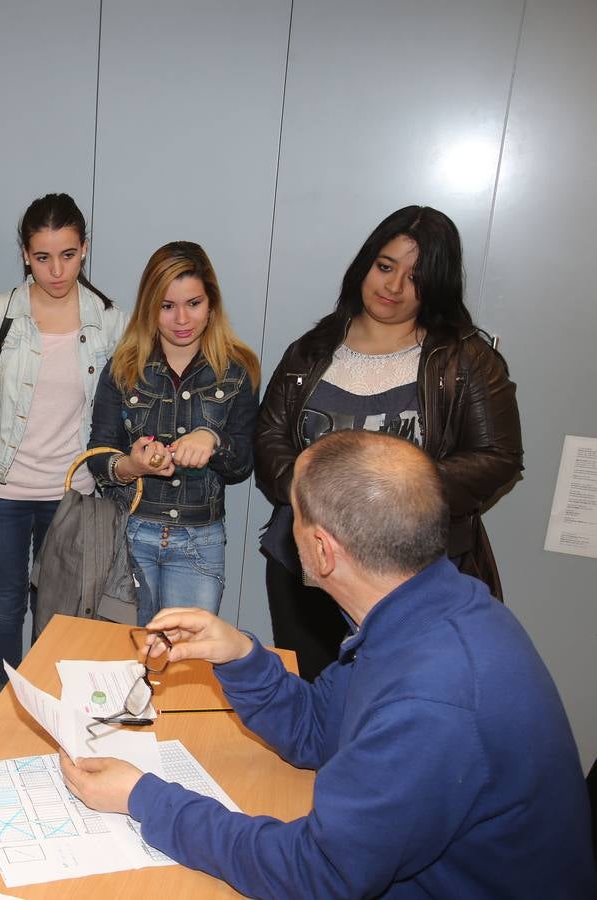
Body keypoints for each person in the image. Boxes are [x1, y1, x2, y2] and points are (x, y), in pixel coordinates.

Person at [60, 431, 596, 898]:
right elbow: (319, 730)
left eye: (294, 514)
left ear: (321, 548)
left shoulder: (434, 696)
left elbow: (316, 875)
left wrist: (145, 799)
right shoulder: (429, 609)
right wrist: (241, 655)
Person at [255, 205, 523, 679]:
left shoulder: (465, 360)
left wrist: (391, 493)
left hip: (409, 581)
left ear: (436, 285)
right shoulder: (312, 351)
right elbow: (269, 438)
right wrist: (311, 491)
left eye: (415, 277)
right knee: (314, 699)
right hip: (306, 572)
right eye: (385, 266)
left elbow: (498, 458)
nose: (394, 287)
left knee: (395, 702)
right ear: (365, 265)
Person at [0, 193, 127, 696]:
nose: (56, 271)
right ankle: (3, 709)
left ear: (85, 249)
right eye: (42, 257)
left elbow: (121, 411)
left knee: (58, 610)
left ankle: (48, 710)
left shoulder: (110, 321)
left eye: (68, 255)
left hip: (73, 493)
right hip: (4, 491)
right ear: (24, 254)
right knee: (5, 606)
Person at [86, 241, 259, 621]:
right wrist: (131, 466)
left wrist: (212, 440)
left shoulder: (238, 370)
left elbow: (243, 464)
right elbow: (98, 455)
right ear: (150, 308)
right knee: (124, 654)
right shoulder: (123, 367)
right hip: (128, 536)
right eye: (167, 306)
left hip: (199, 541)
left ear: (211, 303)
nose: (182, 319)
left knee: (185, 655)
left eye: (193, 303)